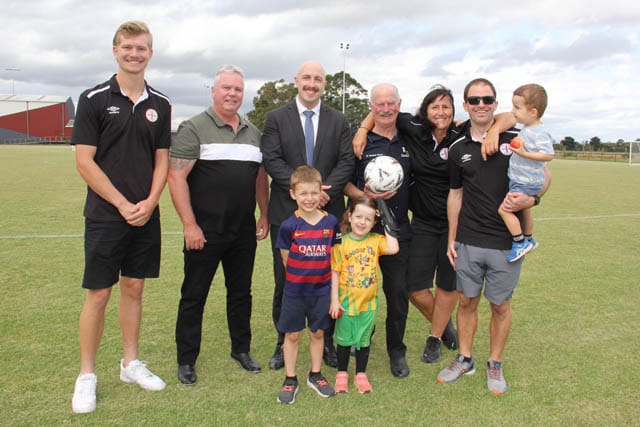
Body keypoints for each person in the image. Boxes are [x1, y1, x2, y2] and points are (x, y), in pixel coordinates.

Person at [353, 86, 516, 364]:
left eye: (446, 107)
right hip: (423, 223)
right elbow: (382, 109)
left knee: (447, 286)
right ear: (425, 111)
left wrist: (496, 130)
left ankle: (434, 337)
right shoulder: (414, 128)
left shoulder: (461, 132)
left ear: (454, 110)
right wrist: (361, 130)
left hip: (459, 223)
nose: (441, 112)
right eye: (435, 107)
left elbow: (510, 116)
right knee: (414, 288)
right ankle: (445, 326)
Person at [71, 21, 170, 414]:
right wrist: (121, 203)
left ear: (150, 53)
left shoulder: (161, 103)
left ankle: (130, 363)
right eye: (127, 47)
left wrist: (150, 201)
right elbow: (84, 161)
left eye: (141, 48)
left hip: (145, 214)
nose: (134, 54)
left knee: (134, 287)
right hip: (105, 214)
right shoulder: (93, 99)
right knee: (99, 293)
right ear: (115, 51)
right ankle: (86, 375)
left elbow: (162, 160)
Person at [438, 78, 550, 395]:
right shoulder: (458, 148)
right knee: (467, 301)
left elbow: (545, 176)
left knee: (500, 305)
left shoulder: (516, 139)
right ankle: (465, 358)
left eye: (487, 99)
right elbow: (455, 195)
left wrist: (533, 199)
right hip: (469, 239)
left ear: (495, 103)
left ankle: (495, 362)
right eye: (474, 100)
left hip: (506, 243)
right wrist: (451, 238)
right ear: (466, 105)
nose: (481, 105)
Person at [167, 64, 269, 385]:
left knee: (240, 293)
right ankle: (186, 359)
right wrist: (189, 225)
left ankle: (241, 349)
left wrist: (264, 213)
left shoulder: (253, 133)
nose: (232, 94)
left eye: (237, 89)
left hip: (242, 231)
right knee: (194, 295)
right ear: (213, 91)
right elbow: (176, 177)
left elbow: (259, 177)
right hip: (204, 231)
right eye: (226, 88)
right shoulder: (193, 127)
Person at [262, 60, 354, 370]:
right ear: (296, 80)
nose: (311, 84)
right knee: (285, 279)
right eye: (306, 78)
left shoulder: (339, 120)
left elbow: (346, 161)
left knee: (327, 279)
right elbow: (272, 159)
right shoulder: (276, 118)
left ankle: (325, 340)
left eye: (318, 79)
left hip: (329, 213)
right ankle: (282, 341)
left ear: (324, 84)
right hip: (287, 213)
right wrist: (304, 191)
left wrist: (324, 192)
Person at [344, 82, 412, 378]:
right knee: (359, 289)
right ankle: (358, 338)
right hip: (363, 231)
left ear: (399, 104)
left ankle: (396, 351)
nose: (386, 109)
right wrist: (365, 197)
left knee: (397, 292)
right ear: (371, 107)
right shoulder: (358, 140)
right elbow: (344, 182)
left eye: (391, 103)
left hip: (397, 230)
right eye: (379, 104)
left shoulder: (410, 135)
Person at [275, 166, 341, 404]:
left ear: (321, 192)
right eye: (303, 193)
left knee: (318, 332)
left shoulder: (331, 222)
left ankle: (315, 374)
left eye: (314, 193)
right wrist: (299, 279)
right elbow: (285, 259)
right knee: (292, 335)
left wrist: (333, 294)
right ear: (293, 194)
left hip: (321, 290)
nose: (309, 198)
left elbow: (335, 258)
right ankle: (290, 378)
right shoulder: (288, 226)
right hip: (295, 291)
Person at [330, 195, 399, 394]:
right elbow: (335, 272)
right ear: (349, 217)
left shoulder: (375, 241)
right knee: (344, 341)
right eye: (359, 217)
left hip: (368, 304)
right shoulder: (341, 243)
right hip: (345, 303)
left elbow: (393, 247)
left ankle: (361, 374)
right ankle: (342, 374)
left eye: (368, 219)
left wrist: (384, 216)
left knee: (363, 341)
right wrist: (334, 300)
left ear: (374, 222)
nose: (362, 222)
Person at [499, 83, 555, 262]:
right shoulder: (528, 128)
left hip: (525, 182)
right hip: (523, 180)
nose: (513, 111)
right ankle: (530, 238)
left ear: (533, 112)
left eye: (517, 107)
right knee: (525, 210)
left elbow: (548, 155)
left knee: (504, 210)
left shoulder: (539, 132)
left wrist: (524, 153)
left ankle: (519, 242)